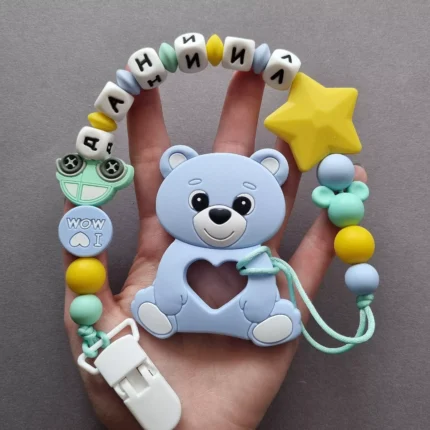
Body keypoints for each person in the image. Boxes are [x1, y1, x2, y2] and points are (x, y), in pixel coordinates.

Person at [64, 71, 367, 429]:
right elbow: (170, 274)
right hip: (169, 318)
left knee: (260, 286)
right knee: (172, 280)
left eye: (242, 204)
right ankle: (167, 312)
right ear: (176, 164)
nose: (220, 213)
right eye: (199, 201)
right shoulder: (181, 248)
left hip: (241, 311)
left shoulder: (255, 255)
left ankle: (261, 320)